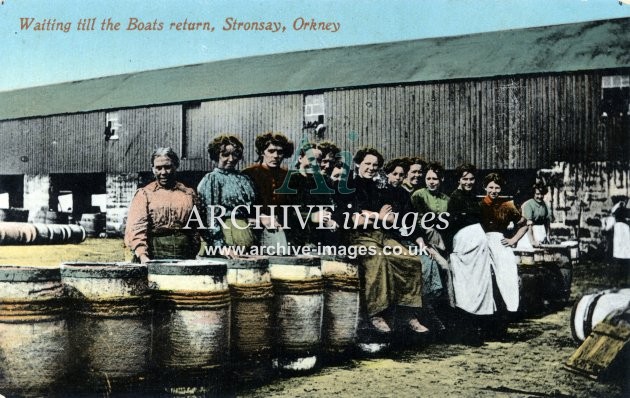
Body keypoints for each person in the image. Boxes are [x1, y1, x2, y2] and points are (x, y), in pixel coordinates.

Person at [341, 148, 429, 335]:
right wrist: (377, 216)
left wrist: (374, 216)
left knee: (410, 260)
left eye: (375, 165)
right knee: (377, 260)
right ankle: (376, 313)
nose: (371, 168)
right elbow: (355, 219)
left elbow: (391, 218)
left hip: (382, 235)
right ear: (358, 164)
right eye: (367, 164)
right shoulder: (348, 184)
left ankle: (407, 313)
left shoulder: (378, 188)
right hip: (358, 236)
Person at [124, 147, 200, 263]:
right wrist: (143, 256)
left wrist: (194, 253)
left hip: (184, 253)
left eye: (168, 167)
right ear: (153, 169)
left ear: (176, 166)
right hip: (154, 254)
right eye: (158, 168)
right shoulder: (144, 194)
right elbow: (137, 227)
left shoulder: (188, 194)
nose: (163, 173)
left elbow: (195, 228)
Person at [446, 163, 492, 343]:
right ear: (459, 179)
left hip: (478, 250)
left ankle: (479, 328)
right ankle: (467, 332)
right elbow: (452, 225)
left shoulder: (472, 197)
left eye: (472, 179)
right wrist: (452, 250)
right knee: (466, 288)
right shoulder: (455, 198)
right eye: (465, 178)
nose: (469, 182)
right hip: (465, 249)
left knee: (479, 286)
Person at [479, 173, 528, 330]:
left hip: (500, 243)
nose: (494, 190)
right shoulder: (481, 203)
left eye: (497, 187)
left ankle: (502, 321)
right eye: (491, 187)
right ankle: (485, 321)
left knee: (505, 278)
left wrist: (513, 240)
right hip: (482, 244)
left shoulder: (508, 205)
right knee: (486, 280)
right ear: (485, 187)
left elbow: (524, 225)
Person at [197, 134, 257, 256]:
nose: (231, 159)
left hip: (246, 234)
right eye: (225, 155)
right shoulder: (212, 179)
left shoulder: (244, 179)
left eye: (234, 154)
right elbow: (209, 216)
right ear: (216, 156)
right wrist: (220, 245)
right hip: (225, 237)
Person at [243, 132, 295, 246]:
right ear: (262, 152)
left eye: (280, 152)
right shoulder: (248, 174)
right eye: (271, 151)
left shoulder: (288, 176)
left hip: (280, 228)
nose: (275, 156)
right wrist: (260, 216)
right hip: (253, 226)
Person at [516, 183, 553, 249]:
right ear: (533, 194)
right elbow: (529, 225)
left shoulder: (544, 205)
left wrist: (548, 237)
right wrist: (532, 241)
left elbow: (547, 222)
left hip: (540, 233)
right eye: (537, 194)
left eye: (542, 194)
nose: (540, 196)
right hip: (528, 234)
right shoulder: (529, 204)